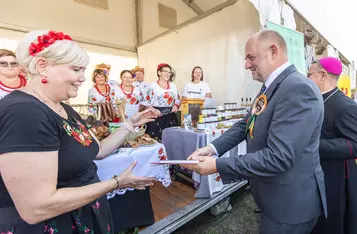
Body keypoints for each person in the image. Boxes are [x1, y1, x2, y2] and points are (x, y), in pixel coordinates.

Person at [0, 30, 160, 233]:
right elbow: (36, 207)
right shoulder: (23, 112)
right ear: (43, 67)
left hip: (82, 214)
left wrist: (130, 124)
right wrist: (116, 183)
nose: (82, 78)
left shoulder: (63, 107)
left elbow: (98, 149)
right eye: (76, 69)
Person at [182, 30, 327, 234]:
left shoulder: (297, 89)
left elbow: (279, 157)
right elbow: (246, 123)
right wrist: (212, 148)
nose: (246, 65)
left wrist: (217, 165)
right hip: (276, 199)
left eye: (251, 57)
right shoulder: (273, 86)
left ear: (273, 51)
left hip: (289, 207)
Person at [308, 57, 357, 234]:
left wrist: (313, 145)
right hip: (317, 172)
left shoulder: (345, 105)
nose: (307, 79)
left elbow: (354, 145)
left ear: (322, 75)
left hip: (336, 177)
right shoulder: (315, 100)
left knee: (332, 222)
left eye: (310, 74)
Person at [143, 63, 181, 140]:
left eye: (169, 72)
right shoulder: (153, 86)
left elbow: (178, 100)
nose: (167, 74)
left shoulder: (173, 85)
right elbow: (147, 103)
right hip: (156, 117)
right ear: (159, 73)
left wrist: (176, 106)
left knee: (172, 140)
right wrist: (154, 110)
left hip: (171, 117)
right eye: (165, 71)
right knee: (156, 140)